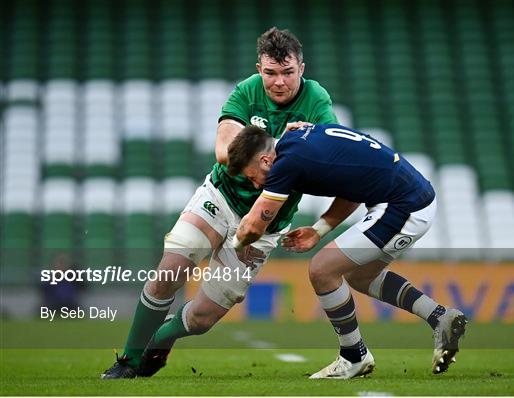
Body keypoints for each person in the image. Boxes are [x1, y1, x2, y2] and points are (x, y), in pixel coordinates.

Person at [101, 27, 339, 379]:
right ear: (259, 68)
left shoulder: (317, 99)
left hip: (267, 222)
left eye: (287, 73)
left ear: (301, 69)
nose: (278, 82)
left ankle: (160, 340)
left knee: (201, 318)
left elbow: (329, 158)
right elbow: (224, 151)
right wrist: (285, 146)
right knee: (170, 270)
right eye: (270, 73)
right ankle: (129, 360)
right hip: (220, 198)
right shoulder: (246, 92)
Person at [227, 123, 468, 379]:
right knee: (359, 276)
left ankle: (354, 356)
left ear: (265, 160)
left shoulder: (286, 163)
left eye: (253, 177)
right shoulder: (298, 140)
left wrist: (232, 248)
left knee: (322, 269)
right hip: (410, 197)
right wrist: (319, 230)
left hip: (402, 204)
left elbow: (252, 228)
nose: (255, 185)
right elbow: (351, 186)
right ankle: (439, 317)